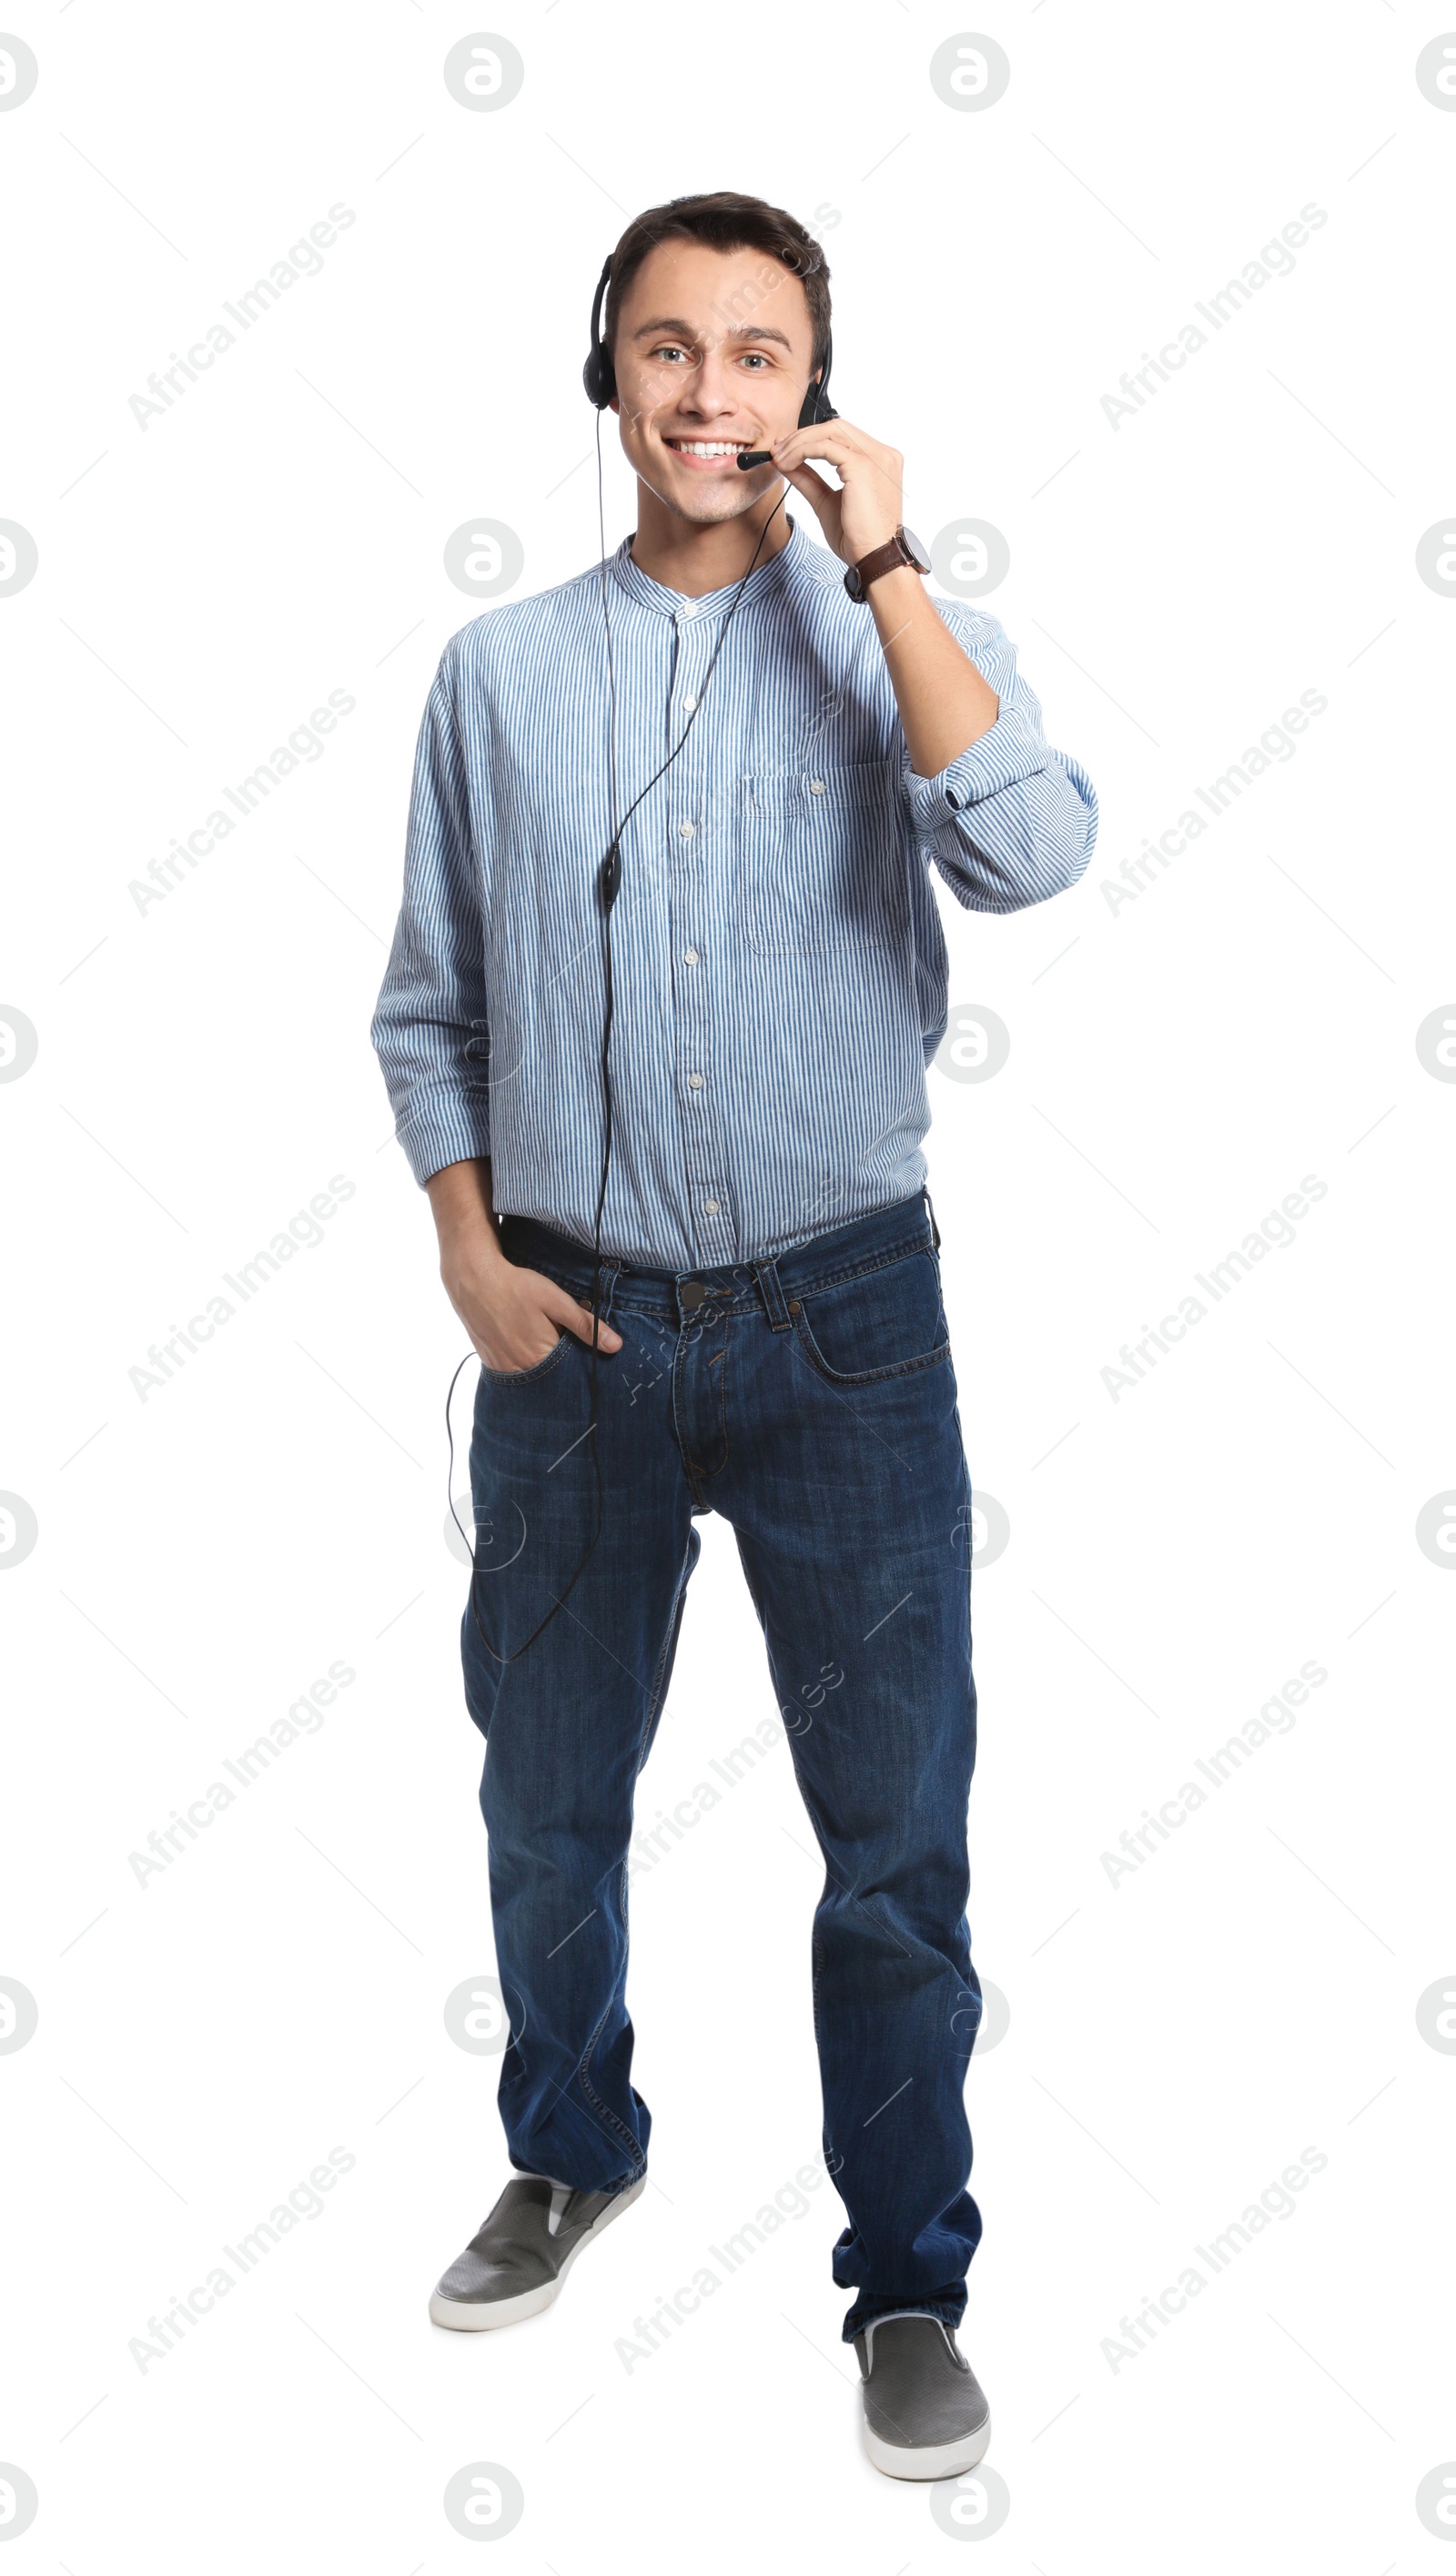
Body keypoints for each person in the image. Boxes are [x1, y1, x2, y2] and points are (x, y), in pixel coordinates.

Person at [369, 190, 1097, 2480]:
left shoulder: (898, 637)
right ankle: (571, 2142)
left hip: (844, 1328)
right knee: (546, 1789)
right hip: (567, 1332)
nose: (711, 394)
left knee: (893, 1835)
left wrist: (887, 571)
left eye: (759, 354)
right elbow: (430, 1011)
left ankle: (903, 2278)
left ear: (817, 392)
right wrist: (470, 1256)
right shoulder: (495, 677)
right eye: (668, 350)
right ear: (609, 380)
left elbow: (1036, 849)